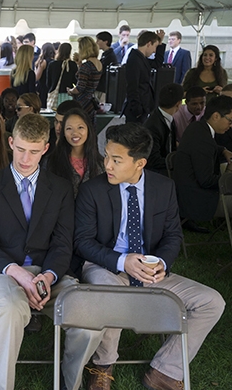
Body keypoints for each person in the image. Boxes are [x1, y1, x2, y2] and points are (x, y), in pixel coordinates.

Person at [73, 123, 225, 390]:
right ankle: (103, 365)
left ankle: (165, 370)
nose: (107, 164)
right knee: (110, 294)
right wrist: (122, 262)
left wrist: (162, 264)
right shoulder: (92, 190)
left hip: (150, 270)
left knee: (212, 301)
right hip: (107, 266)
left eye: (116, 159)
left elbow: (173, 236)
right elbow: (83, 242)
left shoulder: (164, 187)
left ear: (140, 163)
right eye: (106, 155)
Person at [0, 113, 94, 390]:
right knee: (7, 310)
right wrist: (19, 274)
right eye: (20, 149)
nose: (25, 158)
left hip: (50, 271)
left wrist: (48, 276)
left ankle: (71, 382)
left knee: (87, 315)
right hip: (5, 271)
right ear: (10, 142)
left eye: (34, 151)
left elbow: (62, 242)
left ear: (45, 149)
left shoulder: (60, 188)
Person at [173, 96, 232, 224]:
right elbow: (206, 181)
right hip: (198, 200)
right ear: (216, 116)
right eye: (230, 121)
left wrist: (223, 150)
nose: (230, 126)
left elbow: (209, 148)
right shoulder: (203, 142)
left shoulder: (198, 127)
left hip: (187, 191)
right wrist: (229, 174)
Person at [47, 108, 104, 197]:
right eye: (69, 128)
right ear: (64, 133)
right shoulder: (51, 162)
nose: (75, 133)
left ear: (88, 129)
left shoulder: (101, 164)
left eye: (80, 127)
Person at [122, 30, 166, 124]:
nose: (155, 50)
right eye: (155, 47)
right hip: (137, 110)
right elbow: (132, 86)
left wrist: (160, 43)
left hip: (143, 107)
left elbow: (157, 63)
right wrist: (137, 109)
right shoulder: (135, 59)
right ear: (149, 44)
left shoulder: (141, 59)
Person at [144, 83, 184, 176]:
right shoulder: (153, 125)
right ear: (178, 104)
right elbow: (153, 160)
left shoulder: (168, 118)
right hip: (156, 173)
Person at [67, 36, 103, 126]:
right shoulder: (99, 63)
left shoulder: (86, 66)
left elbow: (80, 88)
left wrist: (70, 91)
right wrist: (80, 65)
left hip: (82, 103)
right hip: (91, 101)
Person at [46, 42, 78, 108]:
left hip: (54, 93)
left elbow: (48, 82)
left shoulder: (52, 64)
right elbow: (75, 81)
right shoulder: (72, 64)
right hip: (67, 94)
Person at [95, 31, 118, 103]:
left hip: (103, 88)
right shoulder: (105, 54)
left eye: (98, 40)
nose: (96, 43)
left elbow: (102, 70)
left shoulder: (109, 56)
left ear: (105, 42)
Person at [34, 42, 55, 108]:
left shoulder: (43, 62)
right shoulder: (54, 62)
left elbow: (37, 77)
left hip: (42, 87)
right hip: (50, 87)